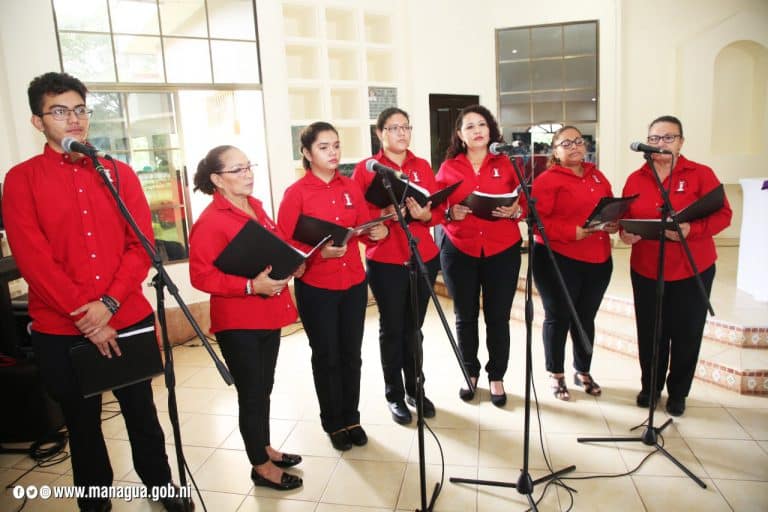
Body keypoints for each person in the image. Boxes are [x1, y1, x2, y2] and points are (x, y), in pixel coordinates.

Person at [2, 72, 187, 512]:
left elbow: (140, 244)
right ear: (37, 121)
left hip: (126, 318)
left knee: (142, 415)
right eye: (59, 111)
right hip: (61, 329)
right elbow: (33, 260)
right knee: (83, 426)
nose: (74, 119)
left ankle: (161, 487)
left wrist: (108, 304)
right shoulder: (22, 179)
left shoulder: (118, 173)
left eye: (80, 109)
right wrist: (85, 316)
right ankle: (96, 502)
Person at [188, 145, 303, 491]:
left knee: (263, 388)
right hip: (238, 322)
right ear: (217, 179)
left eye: (248, 166)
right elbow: (201, 277)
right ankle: (260, 467)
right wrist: (251, 286)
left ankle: (264, 447)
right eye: (237, 170)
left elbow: (274, 248)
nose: (248, 174)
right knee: (251, 394)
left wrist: (293, 261)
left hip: (267, 315)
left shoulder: (255, 207)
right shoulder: (211, 221)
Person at [277, 122, 389, 450]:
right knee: (327, 356)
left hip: (353, 282)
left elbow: (362, 228)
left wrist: (376, 232)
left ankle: (352, 417)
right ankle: (333, 421)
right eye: (324, 147)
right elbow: (284, 244)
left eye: (336, 145)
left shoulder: (350, 186)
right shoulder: (296, 193)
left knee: (351, 354)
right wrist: (317, 254)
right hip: (317, 286)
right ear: (307, 153)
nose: (333, 152)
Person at [620, 115, 732, 417]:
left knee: (687, 333)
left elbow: (724, 215)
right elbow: (625, 219)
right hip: (647, 268)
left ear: (681, 142)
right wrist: (626, 234)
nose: (660, 143)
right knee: (650, 332)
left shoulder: (701, 174)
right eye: (654, 138)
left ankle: (678, 392)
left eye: (668, 137)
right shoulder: (635, 178)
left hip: (692, 268)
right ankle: (651, 387)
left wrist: (692, 230)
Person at [351, 107, 441, 425]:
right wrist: (383, 218)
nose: (402, 133)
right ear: (380, 133)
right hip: (386, 261)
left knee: (413, 329)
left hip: (422, 256)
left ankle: (416, 389)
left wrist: (425, 215)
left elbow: (436, 210)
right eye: (394, 127)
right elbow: (357, 218)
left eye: (406, 127)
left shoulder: (422, 165)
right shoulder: (366, 169)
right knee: (392, 329)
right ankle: (394, 394)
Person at [435, 105, 524, 407]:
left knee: (498, 317)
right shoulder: (448, 168)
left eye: (482, 124)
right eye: (470, 126)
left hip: (502, 248)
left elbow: (524, 199)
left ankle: (496, 375)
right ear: (460, 135)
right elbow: (435, 207)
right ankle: (469, 371)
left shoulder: (507, 163)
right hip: (460, 248)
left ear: (491, 130)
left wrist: (516, 209)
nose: (477, 130)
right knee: (465, 316)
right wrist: (450, 213)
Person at [530, 126, 616, 401]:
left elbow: (610, 206)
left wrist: (614, 222)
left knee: (585, 317)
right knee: (558, 318)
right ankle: (556, 374)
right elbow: (535, 222)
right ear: (555, 152)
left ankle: (583, 370)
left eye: (578, 141)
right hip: (557, 260)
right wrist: (571, 232)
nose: (574, 146)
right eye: (565, 143)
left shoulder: (597, 175)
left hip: (598, 259)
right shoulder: (547, 180)